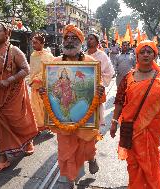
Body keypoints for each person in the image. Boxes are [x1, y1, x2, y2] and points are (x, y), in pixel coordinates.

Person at [40, 25, 105, 189]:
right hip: (64, 117)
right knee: (65, 148)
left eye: (74, 38)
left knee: (87, 147)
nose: (69, 41)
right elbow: (50, 89)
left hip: (85, 117)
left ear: (81, 42)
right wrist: (43, 90)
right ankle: (67, 178)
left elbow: (98, 92)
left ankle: (91, 158)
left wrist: (100, 90)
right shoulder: (54, 63)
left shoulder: (91, 63)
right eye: (66, 38)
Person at [110, 40, 160, 189]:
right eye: (142, 52)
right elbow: (119, 101)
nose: (146, 54)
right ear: (137, 55)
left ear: (154, 55)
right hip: (131, 128)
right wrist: (114, 121)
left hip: (152, 129)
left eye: (149, 52)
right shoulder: (129, 77)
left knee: (150, 162)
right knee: (134, 164)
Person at [0, 22, 38, 174]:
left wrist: (9, 80)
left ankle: (27, 142)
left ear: (6, 33)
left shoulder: (14, 51)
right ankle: (3, 159)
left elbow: (26, 70)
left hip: (13, 97)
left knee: (21, 123)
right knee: (0, 128)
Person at [86, 33, 114, 134]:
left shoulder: (102, 55)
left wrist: (101, 83)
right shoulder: (83, 55)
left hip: (97, 88)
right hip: (85, 88)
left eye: (91, 39)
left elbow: (110, 72)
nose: (89, 40)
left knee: (96, 109)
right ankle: (86, 130)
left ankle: (94, 132)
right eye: (88, 39)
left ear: (97, 42)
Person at [30, 33, 54, 131]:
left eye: (35, 43)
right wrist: (31, 80)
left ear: (42, 44)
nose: (33, 45)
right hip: (34, 86)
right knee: (35, 107)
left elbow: (50, 70)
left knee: (46, 106)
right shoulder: (32, 55)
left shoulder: (48, 56)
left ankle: (49, 124)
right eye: (33, 43)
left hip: (45, 87)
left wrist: (39, 78)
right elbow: (32, 70)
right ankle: (39, 126)